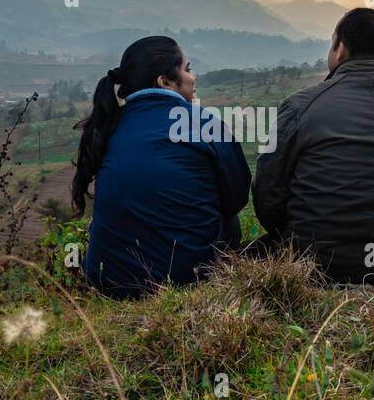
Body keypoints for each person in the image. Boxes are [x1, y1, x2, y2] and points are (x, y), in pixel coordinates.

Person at [251, 8, 374, 286]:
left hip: (313, 266)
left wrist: (286, 236)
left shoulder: (302, 106)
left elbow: (268, 194)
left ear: (340, 48)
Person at [72, 36, 251, 298]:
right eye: (187, 69)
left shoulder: (110, 126)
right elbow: (236, 197)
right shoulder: (202, 123)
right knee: (228, 220)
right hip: (185, 280)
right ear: (164, 81)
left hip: (108, 282)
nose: (193, 77)